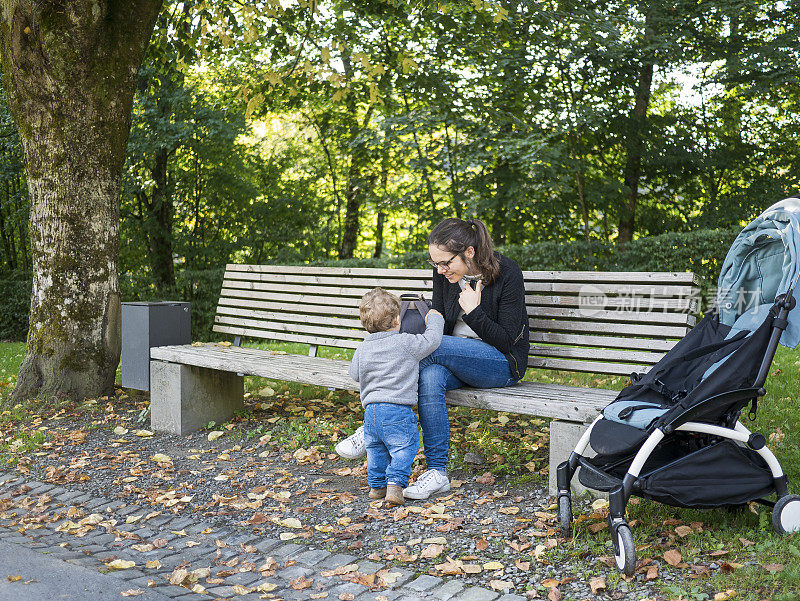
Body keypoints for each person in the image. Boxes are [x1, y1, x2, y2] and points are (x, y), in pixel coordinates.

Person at [337, 217, 529, 500]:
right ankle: (437, 472)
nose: (439, 270)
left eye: (445, 263)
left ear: (469, 252)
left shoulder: (508, 273)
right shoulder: (446, 277)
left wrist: (475, 313)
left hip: (501, 363)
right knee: (430, 375)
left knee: (431, 350)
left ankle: (372, 425)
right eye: (435, 264)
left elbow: (507, 341)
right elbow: (440, 324)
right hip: (456, 360)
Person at [348, 287, 445, 505]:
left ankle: (376, 486)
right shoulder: (405, 343)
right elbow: (432, 341)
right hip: (398, 410)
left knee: (376, 450)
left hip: (371, 412)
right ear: (396, 320)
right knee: (405, 448)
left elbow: (354, 374)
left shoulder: (362, 348)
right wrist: (436, 320)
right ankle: (395, 485)